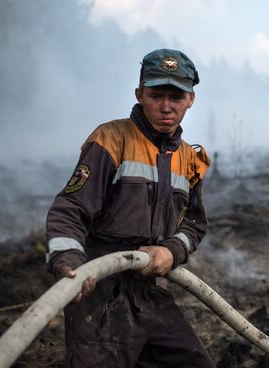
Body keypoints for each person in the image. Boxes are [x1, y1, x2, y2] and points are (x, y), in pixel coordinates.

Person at [45, 49, 214, 367]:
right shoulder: (110, 139)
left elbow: (194, 223)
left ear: (191, 99)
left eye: (176, 97)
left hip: (147, 290)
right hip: (99, 291)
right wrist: (69, 263)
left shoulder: (191, 159)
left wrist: (171, 252)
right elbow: (69, 207)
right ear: (139, 94)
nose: (166, 106)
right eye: (156, 95)